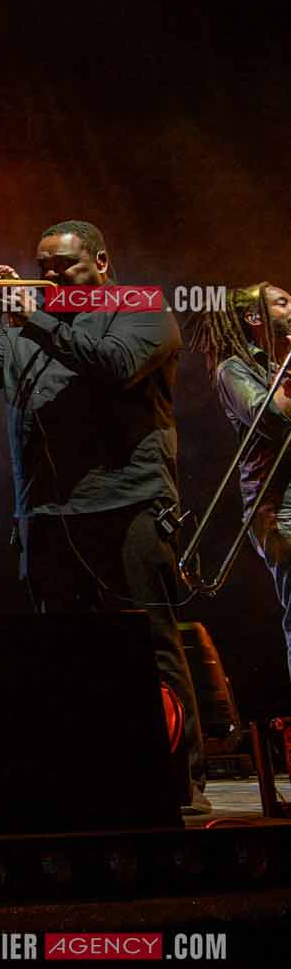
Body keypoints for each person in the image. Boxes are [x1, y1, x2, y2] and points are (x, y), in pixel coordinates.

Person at [0, 219, 206, 815]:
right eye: (41, 266)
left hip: (128, 506)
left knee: (150, 645)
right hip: (45, 513)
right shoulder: (23, 325)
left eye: (63, 265)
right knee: (63, 654)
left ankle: (178, 782)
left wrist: (32, 319)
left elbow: (115, 366)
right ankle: (88, 780)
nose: (49, 276)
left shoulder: (139, 307)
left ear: (101, 259)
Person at [191, 283, 291, 689]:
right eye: (284, 301)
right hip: (279, 507)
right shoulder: (233, 368)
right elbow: (270, 418)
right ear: (254, 318)